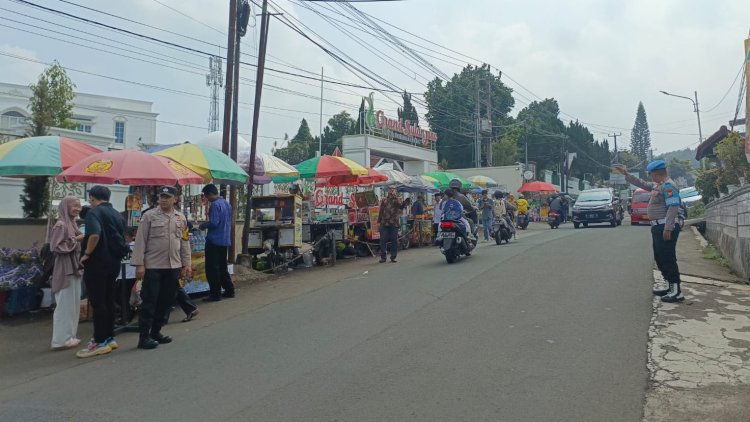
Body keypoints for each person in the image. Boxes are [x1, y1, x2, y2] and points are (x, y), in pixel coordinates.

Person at [131, 186, 192, 349]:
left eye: (167, 197)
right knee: (149, 302)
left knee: (166, 302)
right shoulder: (149, 216)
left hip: (173, 266)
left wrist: (187, 264)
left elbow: (184, 242)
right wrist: (139, 264)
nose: (163, 199)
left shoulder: (181, 218)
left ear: (175, 199)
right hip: (153, 266)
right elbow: (140, 241)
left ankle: (156, 331)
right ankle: (143, 337)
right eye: (161, 196)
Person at [615, 160, 684, 302]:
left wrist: (668, 228)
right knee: (660, 257)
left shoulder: (669, 186)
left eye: (651, 174)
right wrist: (626, 174)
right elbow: (642, 184)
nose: (650, 177)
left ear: (656, 173)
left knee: (667, 258)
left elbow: (673, 207)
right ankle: (669, 286)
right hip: (657, 227)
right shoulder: (658, 185)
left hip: (665, 226)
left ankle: (676, 291)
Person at [77, 186, 126, 358]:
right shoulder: (117, 214)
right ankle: (109, 336)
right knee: (109, 299)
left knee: (98, 302)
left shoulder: (93, 213)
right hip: (113, 263)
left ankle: (98, 341)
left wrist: (86, 254)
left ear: (92, 198)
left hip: (97, 263)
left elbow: (95, 235)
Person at [49, 196, 84, 351]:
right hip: (65, 268)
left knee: (72, 304)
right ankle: (60, 340)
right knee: (64, 305)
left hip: (74, 267)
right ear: (66, 207)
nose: (77, 209)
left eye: (79, 206)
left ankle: (69, 336)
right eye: (74, 206)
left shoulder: (72, 223)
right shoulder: (61, 224)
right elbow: (55, 247)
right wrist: (76, 240)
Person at [199, 184, 235, 301]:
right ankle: (229, 290)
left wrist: (204, 225)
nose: (206, 199)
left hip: (214, 240)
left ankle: (215, 294)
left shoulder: (215, 205)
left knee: (212, 268)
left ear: (210, 194)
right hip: (224, 240)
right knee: (222, 267)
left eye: (206, 196)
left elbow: (214, 223)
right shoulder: (226, 204)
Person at [377, 185, 410, 263]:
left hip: (394, 223)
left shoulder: (398, 199)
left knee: (394, 240)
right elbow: (381, 211)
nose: (391, 191)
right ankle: (383, 257)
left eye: (393, 189)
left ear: (395, 191)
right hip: (384, 223)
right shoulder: (384, 200)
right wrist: (378, 222)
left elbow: (401, 206)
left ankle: (393, 256)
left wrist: (404, 202)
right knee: (383, 240)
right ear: (388, 190)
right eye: (390, 189)